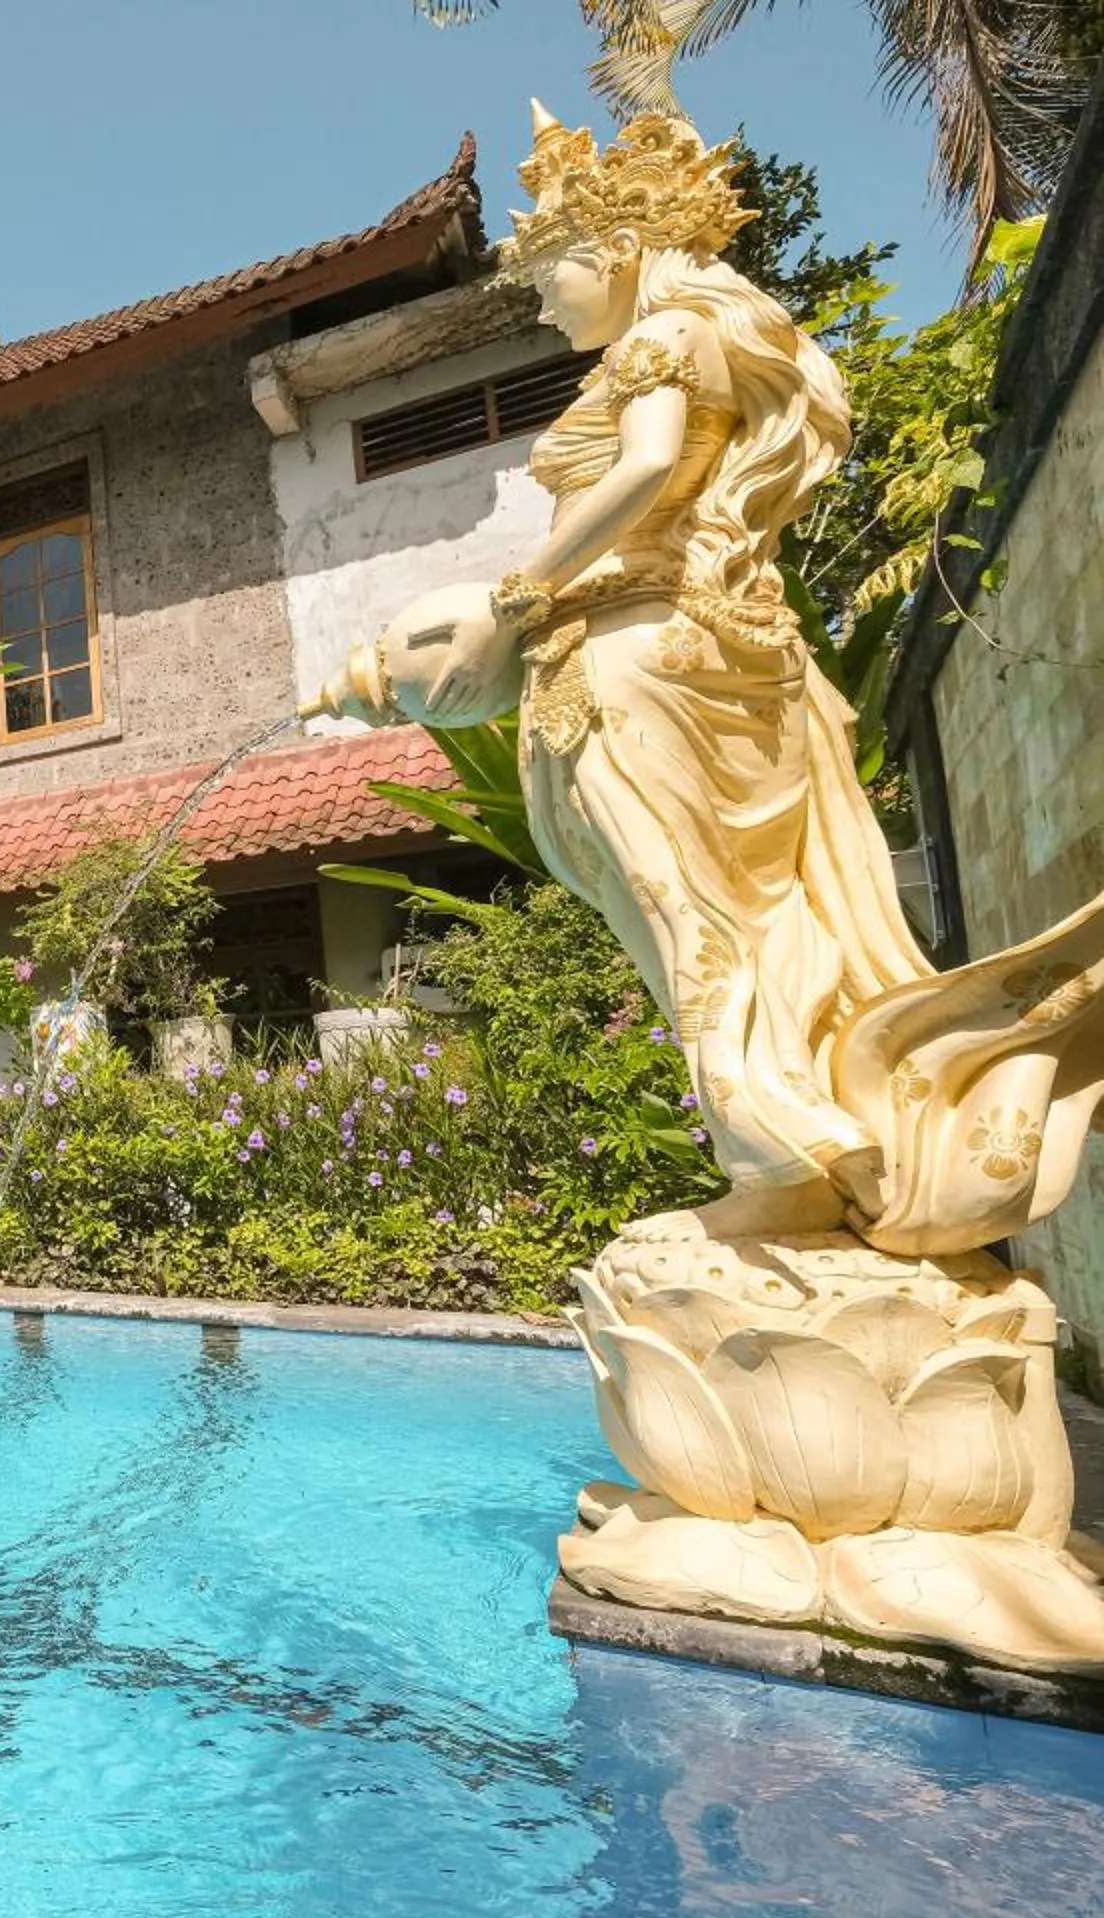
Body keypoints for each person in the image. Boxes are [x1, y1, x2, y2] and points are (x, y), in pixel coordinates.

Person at [308, 104, 1104, 1257]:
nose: (541, 304)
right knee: (747, 906)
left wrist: (520, 594)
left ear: (615, 248)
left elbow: (638, 468)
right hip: (699, 645)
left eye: (545, 276)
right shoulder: (705, 342)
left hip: (636, 657)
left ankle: (781, 1160)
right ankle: (820, 1141)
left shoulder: (660, 342)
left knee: (684, 910)